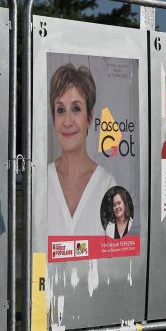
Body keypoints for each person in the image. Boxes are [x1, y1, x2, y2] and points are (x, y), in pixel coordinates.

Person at [43, 62, 117, 239]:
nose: (68, 121)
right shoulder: (40, 182)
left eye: (76, 108)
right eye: (60, 110)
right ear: (54, 119)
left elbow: (114, 258)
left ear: (89, 117)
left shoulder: (108, 186)